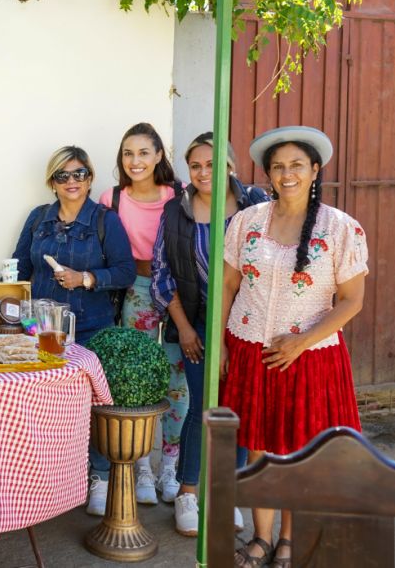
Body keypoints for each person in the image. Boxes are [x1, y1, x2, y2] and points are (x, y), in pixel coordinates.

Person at [221, 126, 367, 568]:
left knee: (299, 451)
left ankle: (291, 538)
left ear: (315, 169)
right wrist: (222, 346)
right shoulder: (246, 222)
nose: (287, 174)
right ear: (267, 173)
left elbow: (352, 300)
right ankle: (261, 538)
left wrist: (301, 342)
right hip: (250, 350)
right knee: (257, 448)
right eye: (278, 167)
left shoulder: (341, 227)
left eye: (296, 165)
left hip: (310, 357)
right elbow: (228, 286)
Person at [150, 132, 268, 536]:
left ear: (231, 167)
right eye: (196, 165)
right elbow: (162, 275)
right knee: (204, 405)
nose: (204, 172)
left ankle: (224, 494)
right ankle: (188, 492)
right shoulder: (175, 211)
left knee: (236, 409)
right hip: (199, 322)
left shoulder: (256, 204)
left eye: (213, 164)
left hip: (249, 325)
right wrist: (183, 328)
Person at [12, 145, 136, 515]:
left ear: (90, 177)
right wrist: (27, 325)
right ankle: (44, 478)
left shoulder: (105, 220)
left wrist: (85, 278)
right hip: (39, 333)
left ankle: (96, 475)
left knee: (92, 406)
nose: (72, 181)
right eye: (63, 175)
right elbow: (18, 273)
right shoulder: (38, 219)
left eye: (79, 173)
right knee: (42, 406)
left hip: (90, 329)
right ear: (52, 182)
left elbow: (126, 272)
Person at [99, 122, 186, 506]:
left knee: (176, 381)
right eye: (128, 153)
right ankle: (142, 468)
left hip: (179, 295)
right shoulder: (112, 198)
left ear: (159, 156)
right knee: (136, 377)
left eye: (144, 153)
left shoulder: (179, 195)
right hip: (135, 290)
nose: (136, 161)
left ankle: (170, 464)